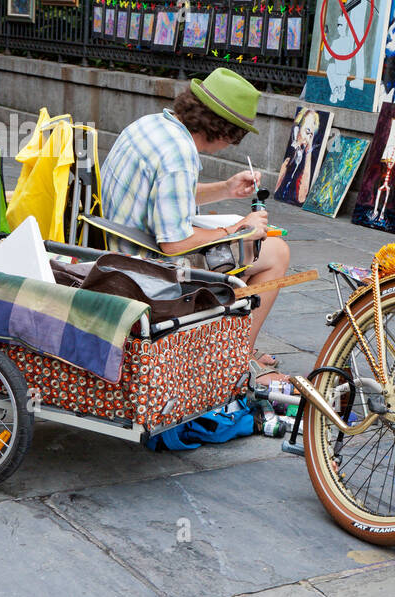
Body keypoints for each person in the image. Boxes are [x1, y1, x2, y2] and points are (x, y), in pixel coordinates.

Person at [99, 67, 291, 384]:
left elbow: (164, 195)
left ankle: (231, 345)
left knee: (253, 246)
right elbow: (174, 244)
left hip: (119, 251)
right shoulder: (180, 153)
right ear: (223, 130)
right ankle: (238, 362)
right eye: (236, 136)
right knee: (276, 252)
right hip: (148, 269)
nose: (232, 144)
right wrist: (239, 230)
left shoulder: (152, 124)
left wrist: (226, 189)